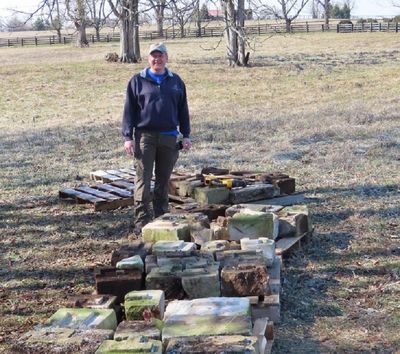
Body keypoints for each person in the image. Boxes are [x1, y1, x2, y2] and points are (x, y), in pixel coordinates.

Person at [122, 42, 191, 235]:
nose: (157, 59)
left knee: (163, 181)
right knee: (143, 181)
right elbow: (129, 111)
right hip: (145, 137)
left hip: (169, 138)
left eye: (160, 56)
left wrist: (186, 135)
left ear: (166, 58)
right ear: (148, 59)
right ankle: (141, 222)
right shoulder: (137, 81)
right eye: (153, 56)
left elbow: (183, 110)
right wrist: (128, 137)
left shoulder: (176, 81)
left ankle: (162, 220)